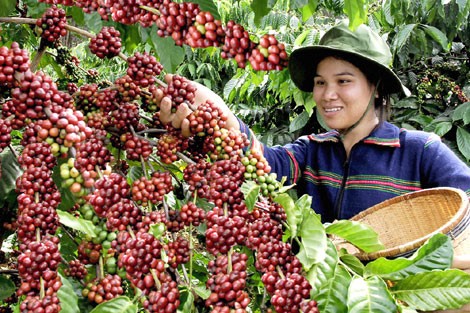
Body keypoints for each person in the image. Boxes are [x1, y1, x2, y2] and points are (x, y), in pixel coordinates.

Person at [157, 21, 470, 271]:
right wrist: (222, 116)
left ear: (374, 88)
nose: (327, 94)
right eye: (321, 82)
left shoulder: (420, 151)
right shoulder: (311, 151)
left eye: (343, 81)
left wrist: (427, 272)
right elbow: (262, 163)